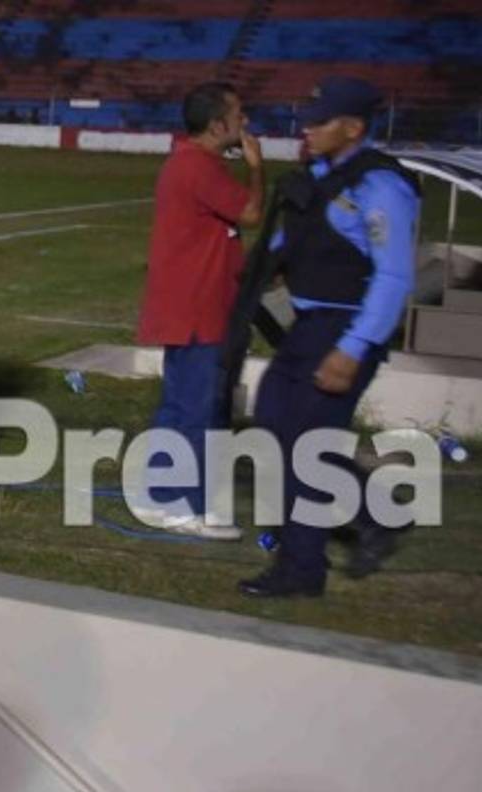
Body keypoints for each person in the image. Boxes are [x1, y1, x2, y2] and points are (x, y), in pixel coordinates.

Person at [239, 76, 420, 598]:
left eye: (320, 121)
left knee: (307, 448)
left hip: (345, 328)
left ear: (353, 128)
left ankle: (301, 569)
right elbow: (285, 245)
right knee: (275, 427)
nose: (307, 127)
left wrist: (352, 347)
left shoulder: (380, 186)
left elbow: (392, 277)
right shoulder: (318, 177)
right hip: (307, 329)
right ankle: (378, 513)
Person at [135, 82, 264, 539]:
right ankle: (182, 505)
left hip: (185, 305)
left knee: (178, 405)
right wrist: (256, 168)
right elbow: (250, 214)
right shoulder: (199, 167)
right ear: (217, 124)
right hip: (199, 309)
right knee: (197, 409)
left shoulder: (190, 161)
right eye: (239, 114)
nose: (245, 121)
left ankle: (158, 495)